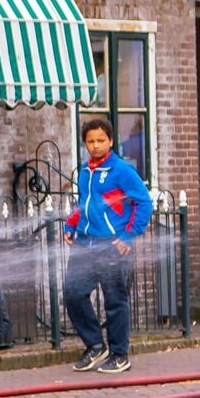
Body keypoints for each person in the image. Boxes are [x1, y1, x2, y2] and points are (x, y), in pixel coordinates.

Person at [63, 118, 153, 374]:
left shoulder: (121, 171)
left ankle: (119, 354)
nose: (96, 145)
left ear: (111, 141)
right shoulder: (84, 171)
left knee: (115, 301)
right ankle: (94, 346)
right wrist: (71, 224)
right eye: (90, 141)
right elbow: (86, 204)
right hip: (84, 243)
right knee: (73, 293)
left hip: (112, 246)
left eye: (101, 140)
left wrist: (128, 237)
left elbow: (144, 202)